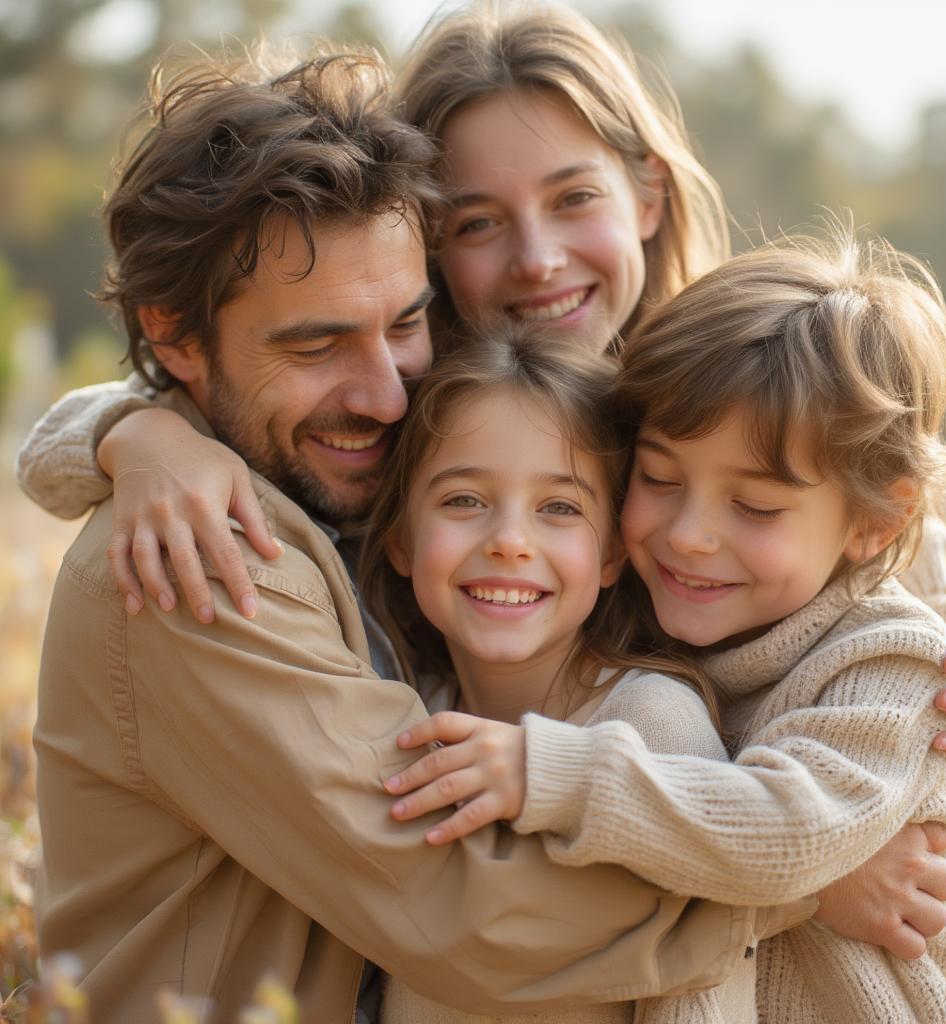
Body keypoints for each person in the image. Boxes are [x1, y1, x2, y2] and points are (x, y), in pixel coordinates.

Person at [34, 47, 816, 1023]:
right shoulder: (195, 555)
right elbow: (469, 911)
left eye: (407, 323)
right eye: (315, 344)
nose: (388, 392)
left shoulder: (353, 475)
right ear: (176, 338)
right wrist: (803, 890)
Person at [16, 3, 946, 758]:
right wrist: (139, 436)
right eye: (478, 222)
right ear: (428, 248)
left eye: (573, 199)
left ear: (647, 194)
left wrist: (942, 669)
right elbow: (157, 414)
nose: (536, 259)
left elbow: (894, 562)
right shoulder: (414, 406)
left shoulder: (736, 388)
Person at [386, 227, 946, 1022]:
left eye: (752, 505)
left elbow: (787, 833)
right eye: (656, 477)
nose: (688, 534)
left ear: (874, 526)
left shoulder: (894, 667)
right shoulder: (680, 610)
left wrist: (554, 774)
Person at [359, 324, 764, 1023]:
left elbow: (702, 989)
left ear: (612, 555)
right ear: (400, 537)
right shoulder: (400, 720)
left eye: (559, 508)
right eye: (463, 500)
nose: (510, 541)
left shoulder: (650, 722)